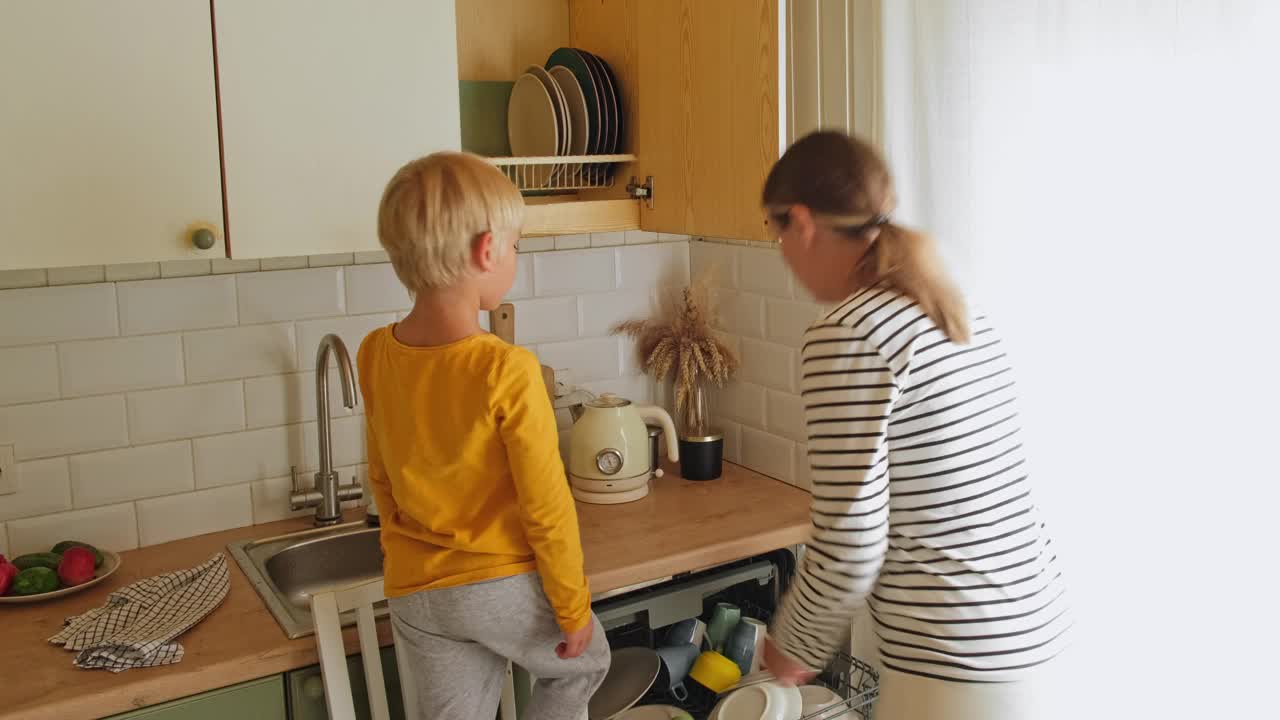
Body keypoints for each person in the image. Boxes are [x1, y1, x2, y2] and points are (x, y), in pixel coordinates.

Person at [759, 131, 1069, 719]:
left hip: (957, 665)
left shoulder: (847, 334)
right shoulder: (952, 304)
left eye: (775, 232)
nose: (780, 251)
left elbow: (850, 541)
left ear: (801, 222)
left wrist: (789, 646)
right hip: (1038, 640)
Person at [358, 151, 610, 719]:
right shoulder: (505, 368)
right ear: (487, 250)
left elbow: (381, 474)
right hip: (496, 584)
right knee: (585, 663)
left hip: (417, 592)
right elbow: (546, 504)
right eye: (516, 246)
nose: (515, 257)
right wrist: (572, 609)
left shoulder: (375, 352)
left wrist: (403, 559)